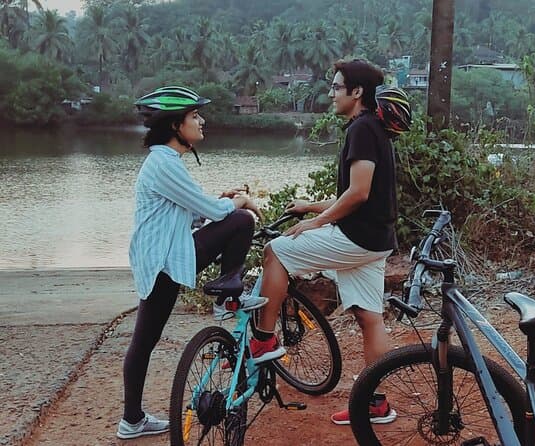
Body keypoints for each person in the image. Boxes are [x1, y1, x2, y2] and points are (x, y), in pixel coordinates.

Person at [252, 59, 399, 425]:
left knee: (276, 252)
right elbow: (353, 194)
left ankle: (264, 340)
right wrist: (310, 205)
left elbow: (359, 193)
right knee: (370, 317)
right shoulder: (373, 128)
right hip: (376, 240)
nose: (331, 93)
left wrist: (314, 222)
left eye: (336, 87)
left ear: (356, 92)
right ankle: (375, 402)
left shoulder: (361, 129)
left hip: (355, 237)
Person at [117, 86, 261, 439]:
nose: (202, 121)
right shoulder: (163, 163)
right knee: (241, 221)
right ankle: (227, 290)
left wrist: (221, 200)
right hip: (166, 259)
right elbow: (212, 213)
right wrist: (241, 202)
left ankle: (132, 419)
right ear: (175, 126)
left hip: (163, 257)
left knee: (144, 340)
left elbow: (192, 209)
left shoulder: (165, 162)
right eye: (194, 116)